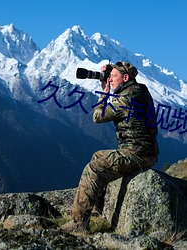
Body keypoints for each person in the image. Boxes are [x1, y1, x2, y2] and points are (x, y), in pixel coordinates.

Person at [61, 61, 159, 233]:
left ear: (126, 78)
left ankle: (78, 224)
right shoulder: (140, 90)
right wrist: (111, 73)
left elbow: (97, 117)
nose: (110, 79)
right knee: (98, 156)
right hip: (146, 151)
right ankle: (98, 210)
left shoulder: (126, 99)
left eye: (114, 76)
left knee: (94, 168)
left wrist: (104, 93)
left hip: (136, 153)